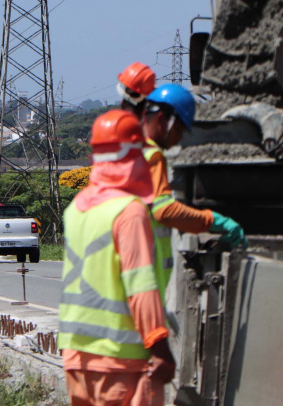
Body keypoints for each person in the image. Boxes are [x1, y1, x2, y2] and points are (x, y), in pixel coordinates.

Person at [60, 109, 176, 406]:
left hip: (76, 357)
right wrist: (160, 348)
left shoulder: (77, 207)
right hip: (122, 362)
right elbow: (140, 285)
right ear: (132, 155)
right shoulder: (129, 210)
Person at [141, 84, 248, 248]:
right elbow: (163, 211)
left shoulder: (134, 150)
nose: (179, 139)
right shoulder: (152, 155)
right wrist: (212, 220)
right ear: (162, 120)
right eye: (178, 130)